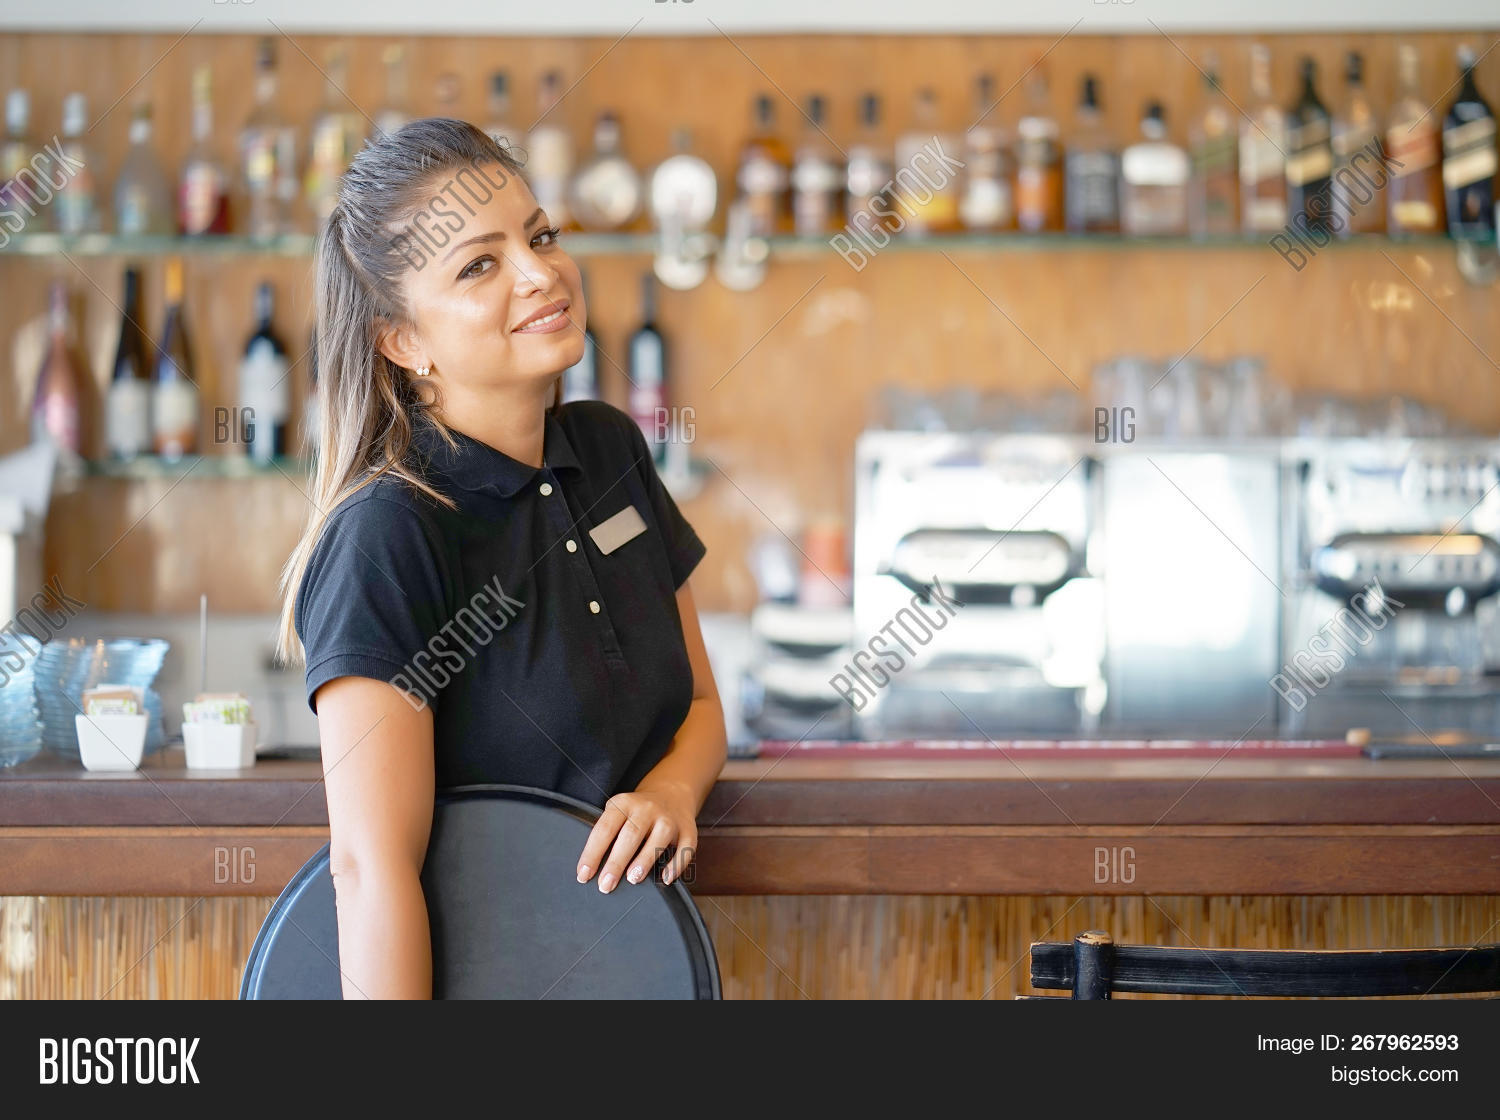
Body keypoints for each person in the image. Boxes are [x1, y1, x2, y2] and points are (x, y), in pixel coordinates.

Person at [273, 118, 727, 999]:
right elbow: (371, 872)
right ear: (400, 341)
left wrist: (671, 793)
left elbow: (703, 707)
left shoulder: (610, 452)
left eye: (541, 235)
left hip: (641, 975)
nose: (539, 272)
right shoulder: (388, 532)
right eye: (479, 264)